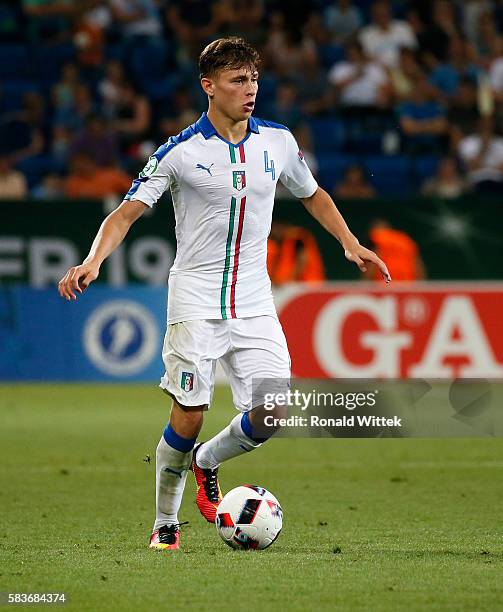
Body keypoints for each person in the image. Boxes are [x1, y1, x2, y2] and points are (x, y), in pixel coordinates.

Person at [57, 37, 390, 551]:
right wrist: (93, 260)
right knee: (188, 412)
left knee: (275, 411)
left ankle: (207, 460)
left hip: (255, 302)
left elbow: (313, 193)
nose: (250, 89)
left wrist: (350, 244)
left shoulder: (277, 141)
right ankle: (165, 523)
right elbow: (124, 213)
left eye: (254, 79)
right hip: (194, 301)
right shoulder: (180, 153)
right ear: (208, 86)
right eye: (237, 81)